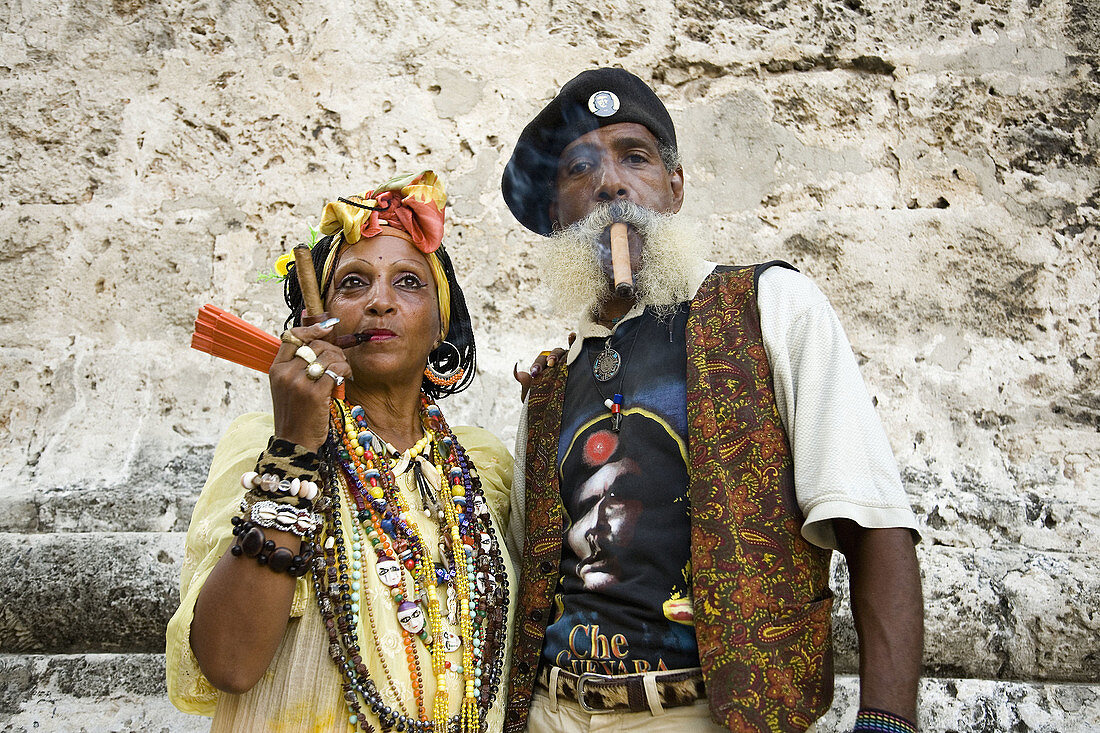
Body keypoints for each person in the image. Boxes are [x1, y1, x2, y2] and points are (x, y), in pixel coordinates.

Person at [500, 69, 923, 733]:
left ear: (674, 188)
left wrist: (886, 722)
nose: (610, 182)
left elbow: (874, 526)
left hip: (704, 716)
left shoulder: (770, 308)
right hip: (552, 713)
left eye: (634, 157)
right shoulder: (551, 385)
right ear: (558, 213)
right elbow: (533, 576)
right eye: (580, 167)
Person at [166, 171, 516, 732]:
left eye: (408, 282)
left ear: (441, 325)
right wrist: (296, 445)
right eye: (353, 284)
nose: (380, 301)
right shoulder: (261, 447)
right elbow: (229, 663)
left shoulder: (483, 464)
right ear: (316, 320)